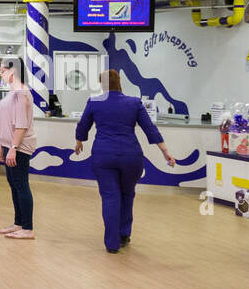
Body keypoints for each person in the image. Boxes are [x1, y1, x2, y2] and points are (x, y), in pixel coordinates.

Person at [74, 68, 176, 253]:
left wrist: (78, 142)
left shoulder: (94, 102)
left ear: (102, 84)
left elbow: (83, 126)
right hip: (131, 156)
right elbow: (149, 129)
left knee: (110, 196)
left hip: (103, 155)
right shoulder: (134, 102)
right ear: (120, 82)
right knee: (127, 194)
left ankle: (112, 244)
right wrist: (165, 152)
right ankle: (124, 234)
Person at [0, 61, 37, 241]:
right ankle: (18, 223)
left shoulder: (21, 93)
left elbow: (21, 124)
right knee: (14, 185)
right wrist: (1, 145)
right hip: (9, 145)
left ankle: (27, 227)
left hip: (18, 147)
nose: (1, 74)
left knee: (21, 185)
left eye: (3, 71)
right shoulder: (12, 92)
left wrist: (13, 147)